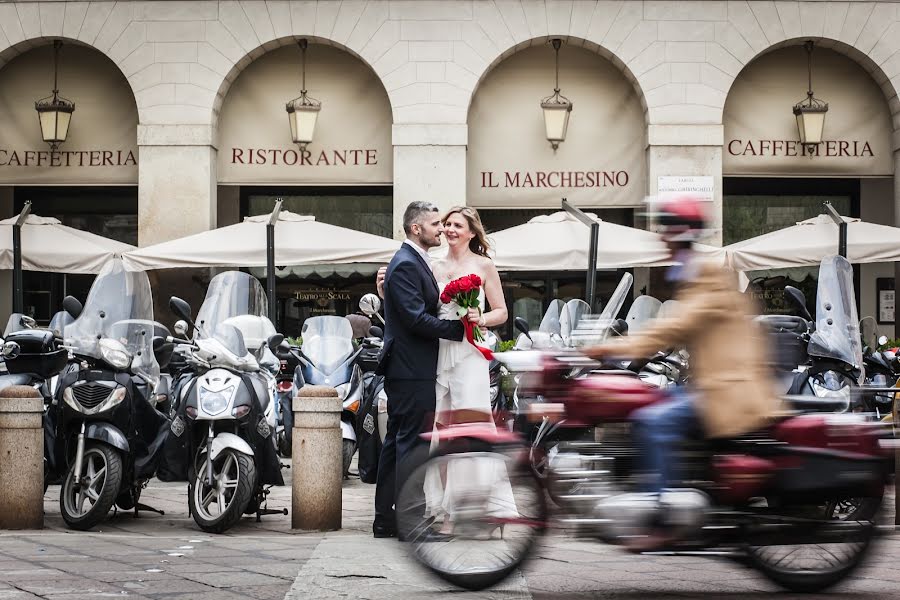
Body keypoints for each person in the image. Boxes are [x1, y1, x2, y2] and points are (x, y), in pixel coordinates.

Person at [584, 196, 778, 549]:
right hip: (708, 385)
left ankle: (663, 514)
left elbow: (674, 327)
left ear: (680, 234)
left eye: (666, 229)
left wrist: (608, 347)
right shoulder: (691, 275)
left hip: (726, 390)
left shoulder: (707, 277)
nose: (660, 236)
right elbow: (682, 331)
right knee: (644, 402)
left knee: (654, 419)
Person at [372, 201, 465, 539]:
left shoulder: (410, 261)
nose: (441, 229)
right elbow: (414, 318)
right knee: (411, 447)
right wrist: (456, 330)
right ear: (416, 229)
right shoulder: (407, 264)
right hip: (411, 368)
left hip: (409, 367)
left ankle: (385, 519)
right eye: (435, 224)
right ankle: (408, 522)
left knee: (397, 445)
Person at [424, 206, 517, 534]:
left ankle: (481, 509)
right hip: (439, 353)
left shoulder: (483, 265)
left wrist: (481, 318)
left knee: (469, 429)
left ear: (472, 232)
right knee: (440, 431)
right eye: (447, 224)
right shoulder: (433, 266)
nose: (449, 230)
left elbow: (502, 312)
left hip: (470, 355)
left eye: (456, 225)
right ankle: (446, 509)